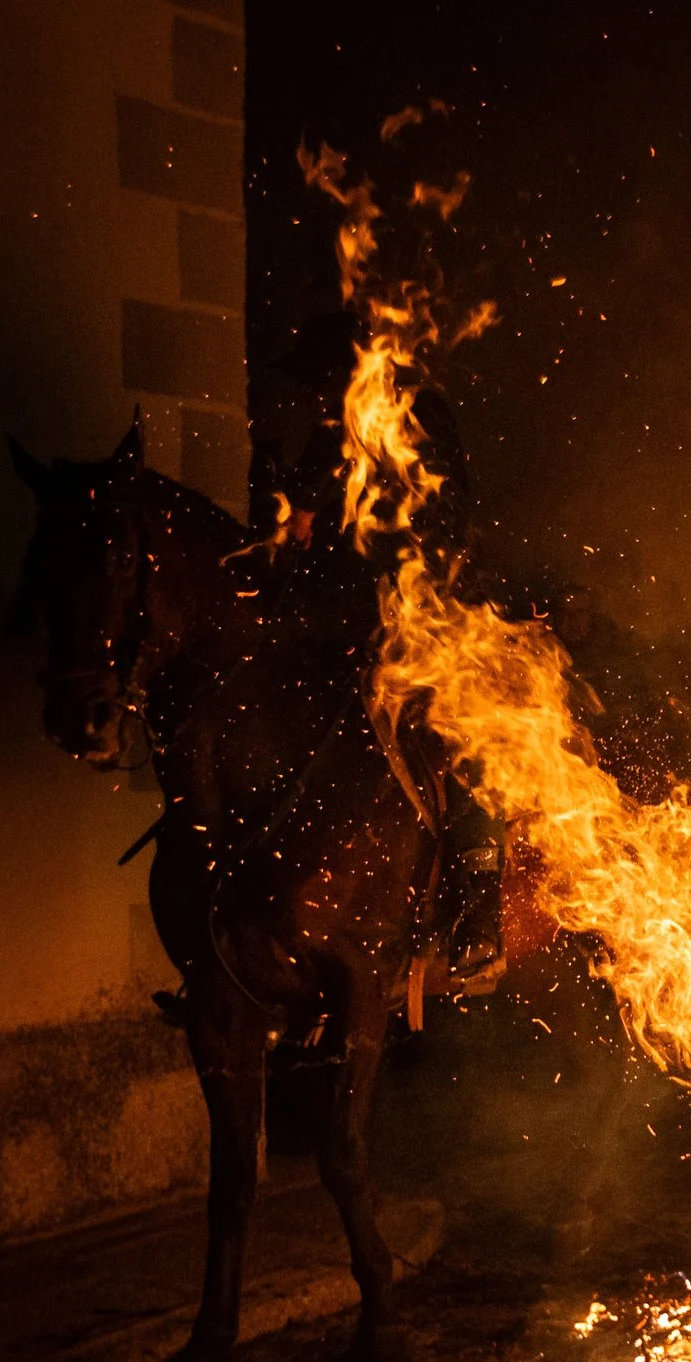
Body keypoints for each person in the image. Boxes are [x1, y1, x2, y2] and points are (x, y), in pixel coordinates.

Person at [267, 311, 504, 993]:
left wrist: (404, 588)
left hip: (431, 615)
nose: (313, 393)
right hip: (338, 622)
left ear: (354, 368)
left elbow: (448, 516)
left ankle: (474, 915)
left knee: (466, 738)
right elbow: (304, 524)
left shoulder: (422, 415)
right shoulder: (326, 437)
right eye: (311, 383)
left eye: (321, 378)